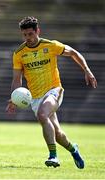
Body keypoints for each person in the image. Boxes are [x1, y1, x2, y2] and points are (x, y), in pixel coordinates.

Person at [6, 16, 97, 168]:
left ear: (37, 31)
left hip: (54, 90)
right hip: (35, 97)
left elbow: (74, 53)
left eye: (30, 34)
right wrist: (13, 99)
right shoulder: (19, 53)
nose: (28, 38)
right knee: (58, 135)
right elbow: (17, 79)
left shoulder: (51, 45)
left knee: (42, 114)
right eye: (25, 35)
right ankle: (73, 149)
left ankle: (53, 156)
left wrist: (87, 70)